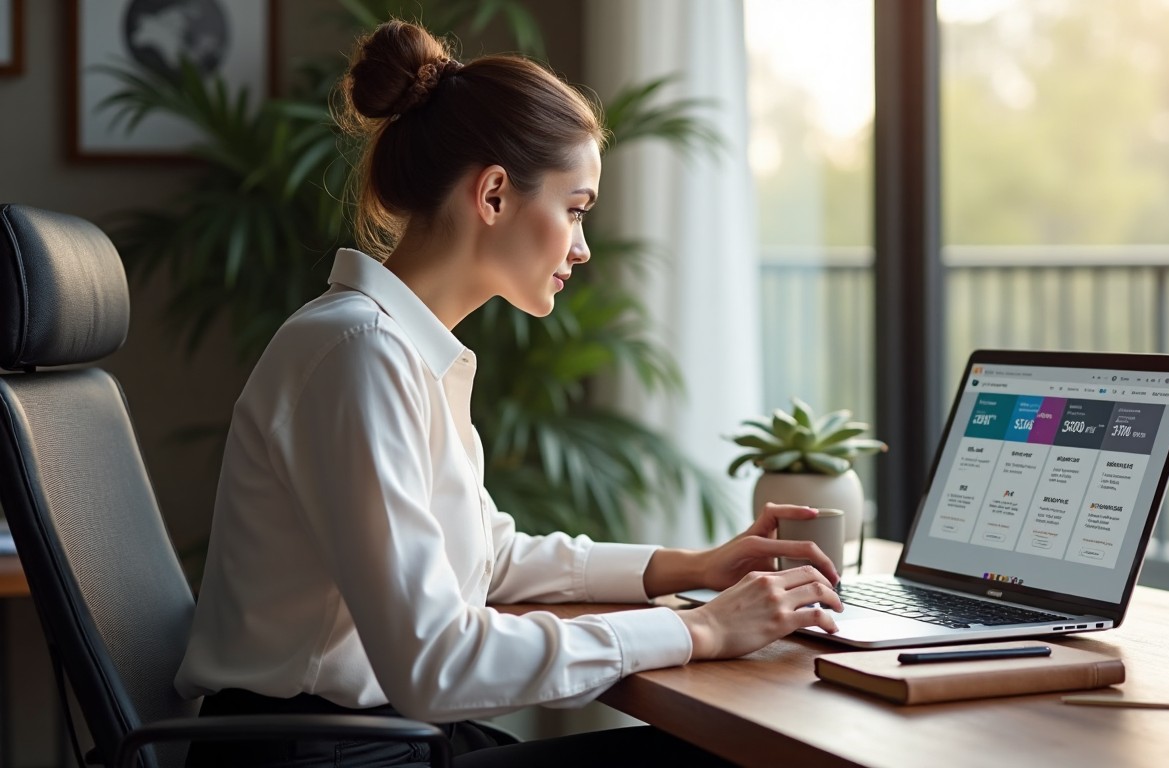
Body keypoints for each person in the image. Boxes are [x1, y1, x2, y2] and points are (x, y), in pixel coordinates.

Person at [174, 18, 842, 767]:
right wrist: (700, 630)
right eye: (576, 208)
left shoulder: (396, 347)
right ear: (493, 194)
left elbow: (486, 557)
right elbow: (436, 662)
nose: (582, 247)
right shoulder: (360, 356)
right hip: (326, 755)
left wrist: (685, 569)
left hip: (380, 739)